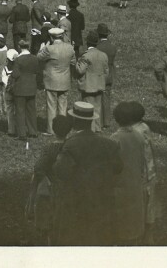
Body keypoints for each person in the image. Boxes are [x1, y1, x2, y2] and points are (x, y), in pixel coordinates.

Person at [51, 101, 123, 244]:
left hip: (76, 202)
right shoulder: (109, 144)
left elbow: (61, 172)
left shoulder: (70, 145)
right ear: (91, 121)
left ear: (74, 121)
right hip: (102, 200)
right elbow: (118, 168)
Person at [111, 101, 157, 245]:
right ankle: (147, 235)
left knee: (137, 206)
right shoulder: (144, 127)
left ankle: (141, 236)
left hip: (139, 173)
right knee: (148, 205)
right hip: (149, 171)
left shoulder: (130, 134)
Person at [28, 114, 72, 244]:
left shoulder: (50, 148)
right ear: (69, 130)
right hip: (67, 189)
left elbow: (38, 168)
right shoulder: (71, 147)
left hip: (51, 189)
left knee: (49, 224)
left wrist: (46, 179)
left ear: (53, 129)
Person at [38, 27, 75, 134]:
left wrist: (43, 47)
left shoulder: (49, 49)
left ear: (51, 37)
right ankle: (62, 128)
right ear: (62, 36)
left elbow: (39, 57)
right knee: (63, 106)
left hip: (52, 81)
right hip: (65, 80)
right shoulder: (70, 48)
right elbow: (73, 62)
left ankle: (51, 130)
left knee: (51, 106)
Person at [74, 30, 109, 132]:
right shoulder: (103, 55)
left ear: (87, 42)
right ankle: (97, 128)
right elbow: (106, 71)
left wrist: (77, 62)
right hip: (100, 85)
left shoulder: (86, 55)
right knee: (97, 108)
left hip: (88, 86)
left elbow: (80, 70)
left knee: (88, 108)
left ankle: (90, 129)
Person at [6, 42, 41, 140]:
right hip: (31, 87)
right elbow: (37, 71)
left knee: (20, 111)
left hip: (20, 88)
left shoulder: (18, 59)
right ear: (28, 47)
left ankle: (22, 134)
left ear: (19, 47)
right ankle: (33, 132)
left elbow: (16, 74)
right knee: (31, 110)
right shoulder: (35, 58)